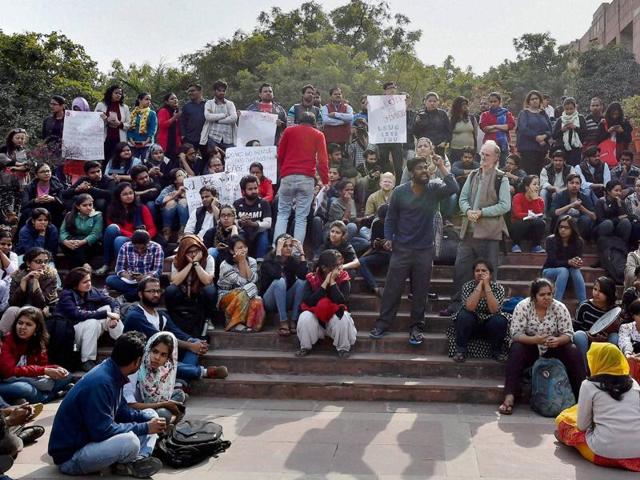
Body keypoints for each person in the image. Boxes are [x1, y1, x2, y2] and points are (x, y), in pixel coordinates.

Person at [48, 331, 165, 478]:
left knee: (150, 415)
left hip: (91, 440)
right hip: (71, 457)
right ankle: (132, 461)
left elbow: (122, 412)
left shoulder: (114, 371)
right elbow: (102, 431)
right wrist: (146, 427)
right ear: (136, 361)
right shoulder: (102, 382)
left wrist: (148, 422)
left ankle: (139, 460)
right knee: (131, 442)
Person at [370, 153, 458, 343]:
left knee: (420, 291)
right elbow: (391, 218)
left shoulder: (433, 188)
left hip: (424, 249)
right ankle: (382, 324)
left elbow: (453, 187)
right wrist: (388, 238)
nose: (424, 170)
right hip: (401, 248)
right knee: (392, 289)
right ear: (411, 173)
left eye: (426, 167)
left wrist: (441, 166)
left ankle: (417, 327)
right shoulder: (400, 192)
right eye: (419, 168)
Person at [499, 278, 585, 415]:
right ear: (534, 296)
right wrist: (534, 340)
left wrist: (558, 340)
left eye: (549, 294)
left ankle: (582, 397)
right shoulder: (523, 307)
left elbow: (568, 334)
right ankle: (509, 397)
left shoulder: (559, 308)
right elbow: (515, 334)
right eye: (542, 295)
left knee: (572, 349)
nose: (547, 298)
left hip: (553, 349)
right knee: (516, 348)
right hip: (530, 347)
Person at [444, 141, 510, 316]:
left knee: (489, 275)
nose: (483, 158)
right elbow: (462, 198)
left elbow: (505, 205)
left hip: (490, 235)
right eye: (481, 155)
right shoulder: (473, 175)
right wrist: (467, 210)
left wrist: (482, 212)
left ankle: (489, 309)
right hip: (468, 233)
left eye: (487, 155)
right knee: (461, 270)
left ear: (496, 157)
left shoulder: (501, 178)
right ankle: (456, 306)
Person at [555, 343, 640, 472]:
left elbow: (582, 426)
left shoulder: (588, 385)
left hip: (602, 454)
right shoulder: (633, 383)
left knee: (564, 421)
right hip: (637, 455)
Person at [123, 277, 228, 382]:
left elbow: (177, 332)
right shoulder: (135, 316)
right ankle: (203, 372)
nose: (155, 295)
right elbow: (159, 339)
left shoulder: (160, 315)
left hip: (159, 356)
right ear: (140, 294)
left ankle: (180, 382)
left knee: (194, 343)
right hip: (139, 361)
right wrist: (190, 346)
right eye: (150, 291)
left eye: (157, 291)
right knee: (169, 357)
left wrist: (194, 342)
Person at [274, 111, 329, 243]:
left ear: (299, 120)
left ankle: (277, 248)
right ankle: (297, 252)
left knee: (282, 214)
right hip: (306, 178)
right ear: (314, 122)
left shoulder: (288, 131)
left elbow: (280, 154)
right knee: (301, 218)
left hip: (287, 176)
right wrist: (326, 180)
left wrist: (284, 170)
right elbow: (322, 161)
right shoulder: (318, 134)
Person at [0, 307, 72, 404]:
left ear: (37, 328)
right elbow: (8, 371)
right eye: (20, 323)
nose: (22, 327)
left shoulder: (38, 343)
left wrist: (55, 368)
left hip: (30, 379)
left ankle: (26, 399)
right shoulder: (7, 341)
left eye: (28, 324)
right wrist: (44, 370)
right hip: (7, 382)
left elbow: (42, 366)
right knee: (25, 389)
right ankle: (53, 395)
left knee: (66, 375)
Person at [54, 266, 122, 370]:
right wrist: (106, 314)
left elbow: (112, 301)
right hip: (72, 335)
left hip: (89, 331)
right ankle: (87, 360)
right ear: (75, 284)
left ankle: (123, 343)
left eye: (89, 280)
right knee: (92, 322)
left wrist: (114, 316)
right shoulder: (66, 295)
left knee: (108, 308)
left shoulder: (92, 291)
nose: (89, 284)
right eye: (84, 282)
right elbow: (77, 314)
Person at [296, 249, 356, 358]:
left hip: (334, 320)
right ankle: (305, 347)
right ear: (324, 268)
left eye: (340, 265)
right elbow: (308, 301)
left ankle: (343, 348)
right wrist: (324, 285)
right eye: (336, 266)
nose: (340, 268)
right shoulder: (311, 278)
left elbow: (342, 301)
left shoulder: (344, 277)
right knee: (305, 316)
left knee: (342, 316)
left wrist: (332, 283)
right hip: (317, 319)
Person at [123, 332, 185, 425]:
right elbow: (130, 405)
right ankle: (171, 419)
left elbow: (161, 396)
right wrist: (163, 404)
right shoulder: (135, 368)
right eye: (155, 351)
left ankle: (168, 418)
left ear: (168, 359)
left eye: (163, 355)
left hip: (154, 405)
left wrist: (164, 403)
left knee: (180, 394)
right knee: (163, 415)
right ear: (148, 350)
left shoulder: (161, 370)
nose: (157, 358)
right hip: (136, 411)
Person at [452, 260, 508, 362]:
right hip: (472, 322)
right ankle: (461, 351)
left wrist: (486, 286)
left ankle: (497, 352)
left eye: (484, 271)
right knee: (464, 315)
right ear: (473, 273)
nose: (480, 273)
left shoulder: (498, 288)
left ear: (490, 274)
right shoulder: (468, 286)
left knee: (499, 320)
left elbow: (494, 310)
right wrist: (479, 285)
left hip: (490, 323)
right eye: (477, 271)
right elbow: (469, 307)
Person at [99, 182, 158, 274]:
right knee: (112, 230)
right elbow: (115, 227)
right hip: (123, 235)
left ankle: (122, 269)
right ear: (119, 196)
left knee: (119, 240)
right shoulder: (112, 209)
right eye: (125, 194)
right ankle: (106, 264)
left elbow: (152, 228)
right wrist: (132, 235)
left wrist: (143, 237)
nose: (129, 196)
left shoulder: (142, 208)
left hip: (139, 239)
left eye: (131, 193)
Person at [165, 235, 217, 338]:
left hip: (200, 293)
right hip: (183, 292)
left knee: (210, 291)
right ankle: (173, 317)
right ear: (183, 252)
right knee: (170, 290)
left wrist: (196, 264)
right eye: (189, 252)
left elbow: (207, 281)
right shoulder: (177, 260)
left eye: (196, 251)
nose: (193, 254)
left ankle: (208, 318)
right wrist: (190, 265)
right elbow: (175, 281)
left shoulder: (208, 258)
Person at [0, 248, 58, 334]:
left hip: (43, 310)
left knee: (33, 312)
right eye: (38, 261)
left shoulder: (50, 277)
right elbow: (13, 302)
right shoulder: (18, 276)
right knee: (11, 310)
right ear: (28, 263)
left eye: (45, 262)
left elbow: (42, 304)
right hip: (20, 308)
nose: (43, 265)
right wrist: (23, 282)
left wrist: (36, 282)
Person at [260, 234, 307, 336]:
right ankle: (283, 321)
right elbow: (277, 275)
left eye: (290, 246)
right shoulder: (268, 261)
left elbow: (303, 276)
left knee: (302, 282)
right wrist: (278, 253)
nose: (288, 248)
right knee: (280, 281)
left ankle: (294, 319)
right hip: (269, 301)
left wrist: (301, 251)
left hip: (285, 299)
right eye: (284, 246)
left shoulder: (292, 261)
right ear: (278, 247)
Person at [217, 235, 264, 332]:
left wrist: (244, 262)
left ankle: (249, 323)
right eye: (240, 248)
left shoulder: (252, 261)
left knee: (255, 297)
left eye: (245, 247)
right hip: (226, 297)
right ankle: (232, 322)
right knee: (250, 289)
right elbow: (242, 283)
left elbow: (254, 279)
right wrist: (241, 261)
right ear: (231, 251)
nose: (244, 250)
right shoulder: (225, 265)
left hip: (246, 293)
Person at [573, 276, 619, 371]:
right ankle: (585, 372)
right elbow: (575, 328)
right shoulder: (584, 306)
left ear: (609, 293)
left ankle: (609, 372)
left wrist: (605, 338)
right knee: (579, 335)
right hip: (587, 340)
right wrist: (589, 336)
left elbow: (616, 329)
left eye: (601, 291)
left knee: (615, 337)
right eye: (595, 289)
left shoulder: (614, 310)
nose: (597, 293)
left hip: (606, 340)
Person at [106, 230, 164, 302]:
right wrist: (127, 275)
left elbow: (158, 270)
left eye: (143, 248)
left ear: (148, 243)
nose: (139, 250)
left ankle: (127, 296)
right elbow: (119, 268)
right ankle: (144, 292)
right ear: (132, 243)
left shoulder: (157, 248)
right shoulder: (126, 246)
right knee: (110, 280)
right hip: (131, 281)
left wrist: (144, 277)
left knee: (156, 282)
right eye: (136, 248)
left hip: (148, 280)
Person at [542, 215, 587, 303]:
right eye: (561, 227)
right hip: (549, 271)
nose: (562, 230)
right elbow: (552, 261)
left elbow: (578, 258)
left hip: (570, 273)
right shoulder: (550, 240)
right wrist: (568, 262)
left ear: (572, 229)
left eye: (566, 227)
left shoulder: (578, 242)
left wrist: (577, 262)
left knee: (575, 270)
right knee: (563, 270)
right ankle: (556, 304)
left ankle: (583, 304)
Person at [234, 175, 272, 261]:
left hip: (258, 233)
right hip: (243, 232)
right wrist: (240, 222)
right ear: (243, 191)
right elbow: (232, 221)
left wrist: (253, 224)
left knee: (263, 233)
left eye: (255, 188)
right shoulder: (237, 204)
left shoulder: (264, 203)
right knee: (238, 235)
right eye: (250, 189)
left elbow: (268, 223)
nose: (254, 191)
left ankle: (260, 263)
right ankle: (240, 260)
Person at [59, 194, 103, 268]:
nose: (88, 208)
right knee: (64, 244)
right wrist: (65, 242)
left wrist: (82, 242)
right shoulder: (69, 215)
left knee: (77, 247)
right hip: (74, 241)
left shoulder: (97, 215)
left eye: (90, 205)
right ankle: (85, 265)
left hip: (90, 243)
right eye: (85, 205)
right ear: (78, 206)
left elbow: (96, 234)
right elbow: (63, 231)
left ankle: (82, 265)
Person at [516, 90, 552, 175]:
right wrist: (536, 137)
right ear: (528, 101)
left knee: (540, 174)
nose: (534, 100)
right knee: (530, 175)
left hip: (542, 150)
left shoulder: (543, 114)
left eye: (536, 98)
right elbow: (523, 129)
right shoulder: (524, 113)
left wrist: (544, 136)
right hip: (528, 149)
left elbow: (550, 129)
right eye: (532, 99)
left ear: (540, 100)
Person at [551, 173, 596, 240]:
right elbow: (554, 212)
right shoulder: (559, 195)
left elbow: (594, 216)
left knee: (585, 219)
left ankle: (579, 241)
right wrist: (571, 205)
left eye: (577, 183)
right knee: (562, 217)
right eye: (571, 183)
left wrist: (581, 207)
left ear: (580, 185)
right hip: (563, 226)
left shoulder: (585, 197)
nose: (574, 185)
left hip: (580, 226)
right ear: (567, 184)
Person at [19, 163, 65, 228]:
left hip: (52, 212)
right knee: (26, 213)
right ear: (36, 175)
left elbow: (63, 205)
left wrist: (53, 199)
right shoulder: (29, 187)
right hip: (35, 212)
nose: (46, 173)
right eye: (42, 172)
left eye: (48, 171)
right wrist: (35, 200)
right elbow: (24, 206)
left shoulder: (58, 186)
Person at [509, 175, 546, 253]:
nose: (537, 187)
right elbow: (517, 214)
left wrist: (535, 200)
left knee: (540, 223)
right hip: (518, 228)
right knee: (520, 223)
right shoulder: (518, 197)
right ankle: (515, 244)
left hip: (532, 230)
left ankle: (536, 245)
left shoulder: (540, 200)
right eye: (534, 184)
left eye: (538, 184)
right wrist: (530, 215)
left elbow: (540, 215)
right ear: (526, 187)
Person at [95, 85, 131, 161]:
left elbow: (129, 124)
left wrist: (119, 124)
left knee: (118, 161)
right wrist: (104, 119)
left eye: (120, 94)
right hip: (105, 139)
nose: (118, 95)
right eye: (116, 93)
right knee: (105, 161)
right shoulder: (101, 105)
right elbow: (94, 121)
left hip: (119, 139)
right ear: (110, 93)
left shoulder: (125, 107)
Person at [200, 80, 237, 154]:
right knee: (214, 160)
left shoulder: (230, 104)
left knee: (230, 161)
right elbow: (208, 117)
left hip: (228, 139)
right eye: (219, 90)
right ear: (214, 91)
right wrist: (224, 115)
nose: (222, 93)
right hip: (213, 138)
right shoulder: (209, 103)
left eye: (224, 91)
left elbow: (234, 118)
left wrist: (218, 120)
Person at [412, 92, 451, 157]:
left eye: (434, 101)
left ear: (438, 102)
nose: (432, 103)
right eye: (429, 101)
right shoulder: (420, 114)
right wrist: (417, 123)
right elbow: (415, 132)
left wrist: (445, 142)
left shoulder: (442, 114)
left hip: (439, 146)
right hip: (425, 148)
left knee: (439, 164)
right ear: (425, 102)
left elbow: (449, 131)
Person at [594, 179, 632, 244]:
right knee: (608, 223)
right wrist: (618, 219)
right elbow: (600, 220)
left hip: (617, 228)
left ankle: (622, 245)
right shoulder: (601, 202)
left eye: (620, 191)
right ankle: (603, 244)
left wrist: (619, 205)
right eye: (616, 190)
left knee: (626, 222)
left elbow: (625, 216)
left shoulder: (620, 202)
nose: (619, 193)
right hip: (603, 228)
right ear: (608, 191)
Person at [551, 97, 586, 166]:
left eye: (571, 109)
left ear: (575, 108)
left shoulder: (580, 118)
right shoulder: (560, 120)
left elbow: (585, 133)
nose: (569, 111)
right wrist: (562, 130)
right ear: (564, 108)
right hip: (563, 149)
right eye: (567, 109)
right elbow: (554, 135)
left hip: (576, 150)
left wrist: (575, 128)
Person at [155, 168, 189, 241]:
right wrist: (177, 193)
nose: (184, 176)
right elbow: (159, 201)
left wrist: (185, 196)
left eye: (184, 174)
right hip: (169, 215)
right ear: (175, 180)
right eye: (180, 175)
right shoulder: (170, 188)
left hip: (186, 214)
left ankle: (182, 232)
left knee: (183, 202)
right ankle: (167, 232)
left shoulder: (192, 185)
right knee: (171, 203)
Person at [539, 149, 575, 215]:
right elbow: (543, 183)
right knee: (543, 192)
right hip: (551, 190)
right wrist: (555, 189)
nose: (558, 162)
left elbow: (573, 182)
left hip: (565, 190)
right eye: (555, 160)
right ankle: (543, 215)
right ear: (552, 160)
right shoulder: (546, 169)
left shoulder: (570, 168)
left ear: (564, 161)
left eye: (560, 160)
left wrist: (560, 191)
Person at [598, 101, 632, 165]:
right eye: (613, 114)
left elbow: (629, 139)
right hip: (606, 151)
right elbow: (598, 139)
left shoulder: (624, 123)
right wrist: (608, 132)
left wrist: (622, 132)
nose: (615, 116)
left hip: (620, 150)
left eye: (617, 114)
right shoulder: (604, 123)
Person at [127, 92, 157, 160]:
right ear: (139, 100)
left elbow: (152, 129)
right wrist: (131, 141)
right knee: (133, 163)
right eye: (146, 99)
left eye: (150, 100)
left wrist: (146, 141)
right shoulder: (133, 113)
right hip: (133, 144)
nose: (149, 101)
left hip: (147, 144)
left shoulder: (152, 113)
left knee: (145, 162)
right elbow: (130, 128)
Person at [448, 95, 478, 163]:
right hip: (456, 150)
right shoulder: (452, 119)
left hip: (470, 150)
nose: (465, 106)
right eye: (463, 104)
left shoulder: (472, 118)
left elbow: (475, 134)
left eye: (466, 104)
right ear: (457, 105)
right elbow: (448, 134)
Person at [181, 84, 207, 158]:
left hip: (206, 138)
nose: (190, 93)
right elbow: (183, 123)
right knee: (191, 160)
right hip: (191, 139)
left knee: (207, 159)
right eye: (189, 92)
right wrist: (184, 136)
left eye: (192, 91)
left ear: (200, 91)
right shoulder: (186, 107)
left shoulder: (208, 104)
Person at [156, 92, 181, 159]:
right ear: (166, 102)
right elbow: (162, 125)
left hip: (175, 142)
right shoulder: (163, 111)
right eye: (172, 99)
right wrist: (174, 118)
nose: (175, 100)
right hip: (166, 142)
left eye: (176, 98)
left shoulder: (177, 111)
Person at [41, 95, 65, 165]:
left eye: (54, 104)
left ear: (62, 106)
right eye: (51, 104)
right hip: (51, 153)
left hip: (66, 152)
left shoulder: (70, 119)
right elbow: (44, 137)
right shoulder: (47, 120)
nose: (51, 106)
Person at [0, 231, 18, 315]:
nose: (6, 247)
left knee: (9, 281)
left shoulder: (13, 255)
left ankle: (3, 309)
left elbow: (13, 272)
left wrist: (1, 254)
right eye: (2, 244)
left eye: (9, 244)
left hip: (6, 286)